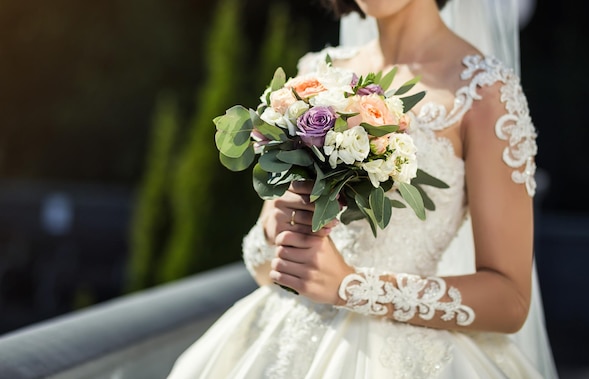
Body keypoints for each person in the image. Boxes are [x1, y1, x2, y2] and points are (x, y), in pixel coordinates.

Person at [168, 0, 559, 377]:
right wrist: (278, 228)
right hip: (281, 341)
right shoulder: (316, 75)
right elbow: (262, 264)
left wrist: (351, 287)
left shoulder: (486, 94)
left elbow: (511, 301)